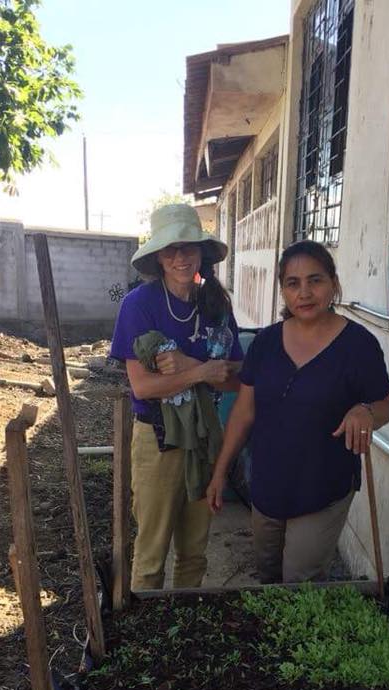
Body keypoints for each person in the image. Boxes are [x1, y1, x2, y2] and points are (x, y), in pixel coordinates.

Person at [206, 240, 389, 583]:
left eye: (315, 280)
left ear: (334, 284)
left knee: (299, 581)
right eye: (293, 283)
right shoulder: (265, 344)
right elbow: (243, 413)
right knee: (267, 574)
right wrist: (220, 472)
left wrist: (365, 411)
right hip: (266, 485)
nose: (304, 292)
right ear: (283, 291)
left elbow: (385, 406)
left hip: (322, 486)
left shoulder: (358, 345)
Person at [110, 203, 243, 592]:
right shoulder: (139, 305)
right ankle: (144, 641)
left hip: (205, 438)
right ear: (158, 257)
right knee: (151, 554)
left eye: (188, 247)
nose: (180, 257)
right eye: (171, 249)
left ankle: (184, 628)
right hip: (157, 439)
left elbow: (236, 378)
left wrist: (186, 366)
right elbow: (144, 387)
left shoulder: (217, 305)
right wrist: (202, 371)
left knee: (194, 551)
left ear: (201, 251)